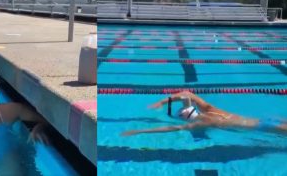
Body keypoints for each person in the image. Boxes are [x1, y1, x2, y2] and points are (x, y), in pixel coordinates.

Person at [122, 91, 287, 136]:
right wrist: (163, 102)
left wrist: (140, 131)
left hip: (263, 128)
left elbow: (173, 129)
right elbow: (187, 94)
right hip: (265, 120)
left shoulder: (204, 122)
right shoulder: (211, 109)